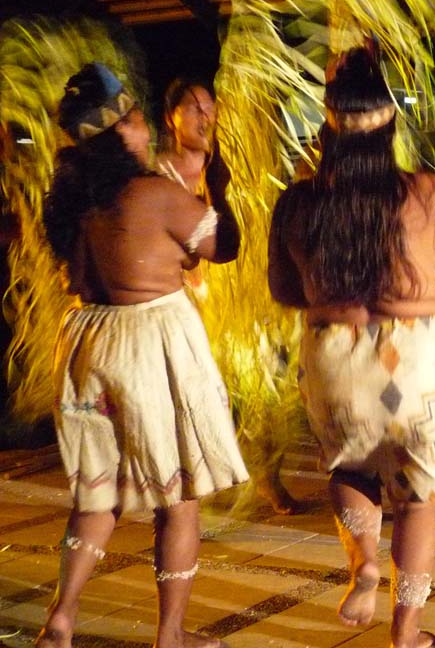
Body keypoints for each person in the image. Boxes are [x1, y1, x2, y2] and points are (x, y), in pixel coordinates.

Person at [268, 47, 435, 648]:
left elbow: (285, 290)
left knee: (350, 467)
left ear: (327, 131)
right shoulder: (425, 192)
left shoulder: (297, 202)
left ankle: (363, 558)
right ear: (390, 123)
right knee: (420, 499)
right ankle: (407, 633)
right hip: (415, 361)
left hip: (337, 359)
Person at [37, 63, 246, 648]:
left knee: (96, 496)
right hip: (149, 345)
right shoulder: (153, 194)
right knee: (177, 501)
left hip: (87, 343)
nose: (142, 129)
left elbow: (88, 273)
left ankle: (61, 617)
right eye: (131, 120)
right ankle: (171, 634)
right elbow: (222, 246)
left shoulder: (72, 205)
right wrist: (222, 186)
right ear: (112, 133)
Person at [158, 76, 302, 515]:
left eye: (210, 107)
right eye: (195, 107)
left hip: (238, 300)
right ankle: (190, 478)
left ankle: (266, 475)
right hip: (186, 301)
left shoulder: (232, 168)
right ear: (172, 117)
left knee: (264, 388)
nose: (206, 115)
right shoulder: (159, 174)